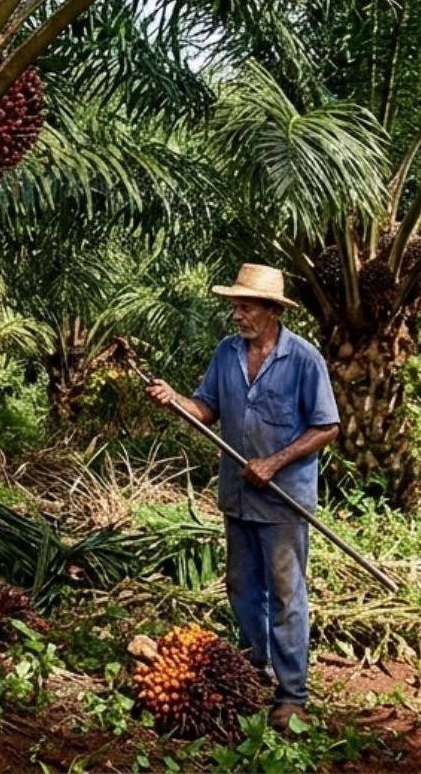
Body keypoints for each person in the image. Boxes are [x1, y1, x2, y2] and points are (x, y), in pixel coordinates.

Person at [143, 262, 340, 732]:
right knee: (241, 586)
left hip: (282, 499)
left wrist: (274, 462)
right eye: (234, 306)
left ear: (272, 310)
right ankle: (256, 669)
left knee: (287, 594)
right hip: (237, 495)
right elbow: (206, 409)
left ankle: (292, 695)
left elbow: (327, 426)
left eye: (246, 307)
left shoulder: (304, 359)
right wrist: (174, 399)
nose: (237, 315)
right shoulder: (226, 353)